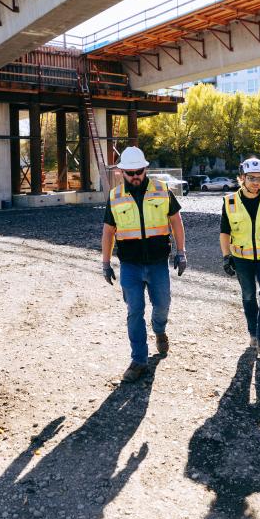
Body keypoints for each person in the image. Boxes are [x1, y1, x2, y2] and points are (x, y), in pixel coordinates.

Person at [101, 147, 188, 383]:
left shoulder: (162, 190)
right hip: (130, 265)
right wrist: (106, 263)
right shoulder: (115, 196)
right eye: (130, 172)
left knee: (162, 304)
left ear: (145, 169)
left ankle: (159, 329)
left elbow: (176, 222)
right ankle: (139, 360)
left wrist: (181, 253)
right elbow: (109, 232)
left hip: (158, 263)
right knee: (134, 311)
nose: (135, 176)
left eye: (139, 171)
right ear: (121, 172)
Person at [220, 158, 260, 359]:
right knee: (248, 295)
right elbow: (224, 232)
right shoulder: (230, 201)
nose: (256, 182)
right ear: (242, 178)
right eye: (251, 178)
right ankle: (253, 334)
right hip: (241, 257)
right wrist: (226, 257)